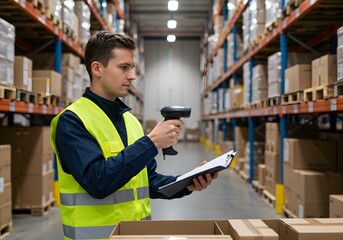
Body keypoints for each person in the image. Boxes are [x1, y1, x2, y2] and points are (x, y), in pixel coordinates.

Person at [50, 31, 218, 240]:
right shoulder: (71, 121)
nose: (132, 76)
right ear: (97, 68)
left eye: (132, 68)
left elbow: (148, 181)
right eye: (124, 67)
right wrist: (152, 141)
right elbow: (97, 182)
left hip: (136, 236)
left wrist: (187, 182)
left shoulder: (130, 121)